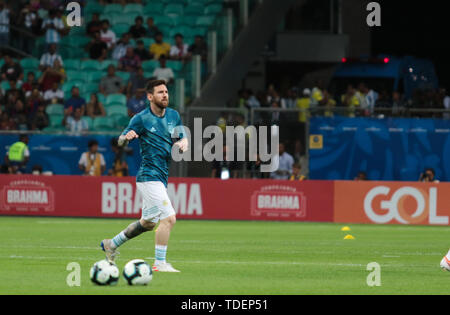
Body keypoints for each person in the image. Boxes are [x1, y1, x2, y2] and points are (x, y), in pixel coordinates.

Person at [100, 79, 188, 273]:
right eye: (160, 92)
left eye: (166, 92)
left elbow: (183, 137)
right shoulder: (140, 119)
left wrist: (183, 143)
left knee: (148, 224)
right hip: (149, 176)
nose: (165, 95)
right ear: (150, 97)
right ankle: (160, 263)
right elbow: (120, 143)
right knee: (169, 219)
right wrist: (126, 138)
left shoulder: (173, 115)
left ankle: (111, 244)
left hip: (161, 177)